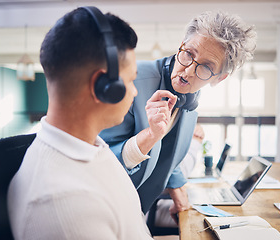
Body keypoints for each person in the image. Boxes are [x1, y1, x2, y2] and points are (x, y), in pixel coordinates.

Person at [7, 6, 152, 239]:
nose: (135, 92)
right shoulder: (65, 203)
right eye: (131, 80)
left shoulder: (92, 148)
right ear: (103, 87)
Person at [100, 10, 257, 221]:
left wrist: (178, 190)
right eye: (189, 54)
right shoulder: (132, 80)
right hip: (108, 208)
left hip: (139, 209)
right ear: (181, 44)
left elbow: (169, 156)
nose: (189, 71)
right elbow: (98, 161)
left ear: (219, 79)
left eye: (206, 67)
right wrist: (149, 136)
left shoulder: (190, 101)